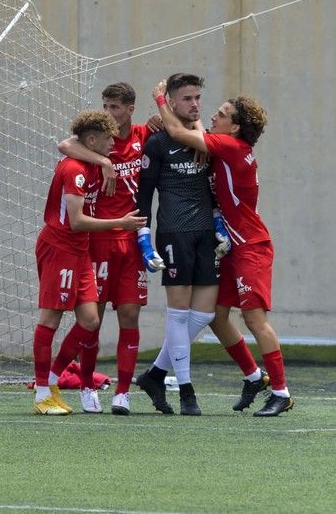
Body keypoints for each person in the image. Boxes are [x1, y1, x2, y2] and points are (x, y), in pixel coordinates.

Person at [151, 82, 294, 416]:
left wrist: (160, 99)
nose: (214, 113)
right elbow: (194, 128)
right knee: (215, 315)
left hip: (251, 247)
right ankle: (253, 376)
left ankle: (282, 392)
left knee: (255, 320)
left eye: (224, 113)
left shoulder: (230, 146)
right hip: (232, 246)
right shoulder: (228, 144)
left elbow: (177, 130)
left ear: (236, 126)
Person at [33, 109, 146, 416]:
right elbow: (77, 220)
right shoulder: (75, 169)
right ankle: (42, 392)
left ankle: (54, 379)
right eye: (108, 137)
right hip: (60, 248)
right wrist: (120, 222)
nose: (113, 142)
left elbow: (73, 143)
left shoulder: (94, 163)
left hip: (80, 251)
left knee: (90, 320)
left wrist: (106, 161)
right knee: (50, 318)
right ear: (93, 139)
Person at [57, 82, 159, 415]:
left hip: (131, 241)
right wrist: (104, 162)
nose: (108, 113)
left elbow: (171, 130)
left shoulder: (144, 135)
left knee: (130, 314)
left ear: (130, 108)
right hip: (99, 241)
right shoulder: (98, 140)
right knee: (93, 318)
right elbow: (64, 144)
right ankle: (86, 386)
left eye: (115, 107)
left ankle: (123, 393)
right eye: (105, 106)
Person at [134, 73, 230, 416]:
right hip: (174, 232)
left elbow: (214, 190)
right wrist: (143, 239)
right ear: (172, 102)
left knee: (203, 314)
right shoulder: (158, 142)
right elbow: (143, 197)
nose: (194, 104)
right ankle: (187, 390)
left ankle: (155, 375)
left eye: (198, 98)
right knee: (178, 312)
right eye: (187, 98)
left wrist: (219, 224)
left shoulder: (207, 140)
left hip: (205, 232)